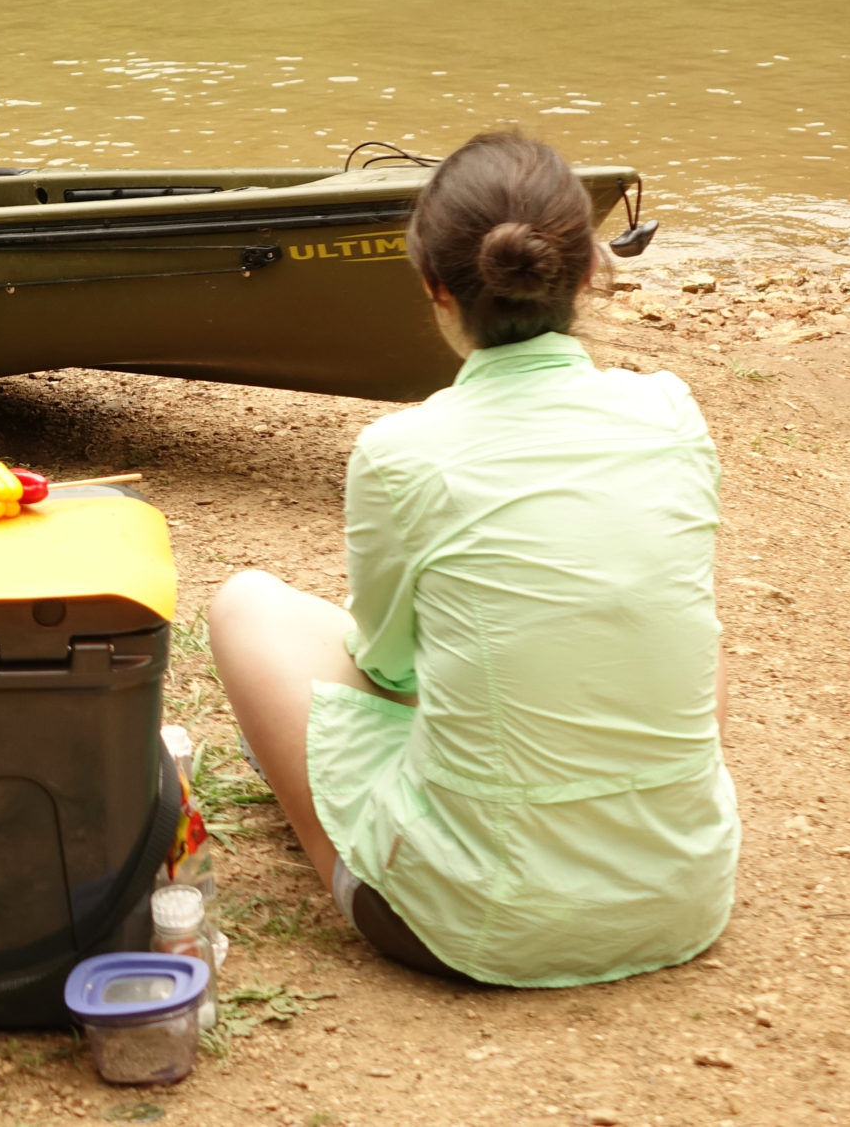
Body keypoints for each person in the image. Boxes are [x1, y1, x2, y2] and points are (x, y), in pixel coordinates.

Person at [207, 130, 736, 987]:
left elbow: (385, 663)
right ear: (592, 271)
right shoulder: (671, 410)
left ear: (434, 288)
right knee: (659, 613)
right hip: (686, 895)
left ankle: (407, 858)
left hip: (476, 925)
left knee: (246, 605)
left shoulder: (402, 450)